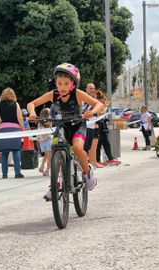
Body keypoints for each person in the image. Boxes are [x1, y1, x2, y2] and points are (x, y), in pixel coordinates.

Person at [27, 63, 104, 199]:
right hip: (61, 126)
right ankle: (54, 185)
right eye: (59, 83)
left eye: (66, 84)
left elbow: (99, 104)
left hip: (77, 126)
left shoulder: (78, 94)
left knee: (77, 148)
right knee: (54, 149)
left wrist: (91, 112)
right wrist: (32, 113)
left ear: (73, 84)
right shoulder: (53, 94)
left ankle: (88, 172)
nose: (62, 87)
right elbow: (31, 104)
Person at [0, 88, 26, 179]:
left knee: (4, 152)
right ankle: (17, 173)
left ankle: (4, 174)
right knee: (16, 151)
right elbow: (20, 118)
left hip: (3, 129)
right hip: (14, 129)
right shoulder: (15, 104)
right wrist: (23, 128)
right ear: (13, 95)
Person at [95, 90, 121, 166]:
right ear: (101, 99)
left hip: (102, 126)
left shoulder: (101, 105)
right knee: (98, 144)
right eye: (104, 99)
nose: (106, 100)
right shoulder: (98, 104)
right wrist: (105, 106)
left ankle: (110, 159)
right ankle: (98, 160)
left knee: (106, 143)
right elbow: (100, 113)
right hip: (98, 125)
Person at [82, 83, 100, 168]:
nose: (92, 90)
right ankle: (84, 166)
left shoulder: (94, 100)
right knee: (84, 148)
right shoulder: (84, 98)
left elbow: (99, 112)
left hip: (91, 126)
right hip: (84, 126)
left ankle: (86, 165)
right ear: (86, 89)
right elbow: (83, 111)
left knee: (87, 147)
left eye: (93, 88)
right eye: (90, 88)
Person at [36, 108, 52, 177]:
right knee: (49, 156)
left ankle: (42, 166)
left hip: (42, 141)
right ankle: (47, 170)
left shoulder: (39, 122)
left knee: (46, 154)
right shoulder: (48, 121)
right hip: (48, 139)